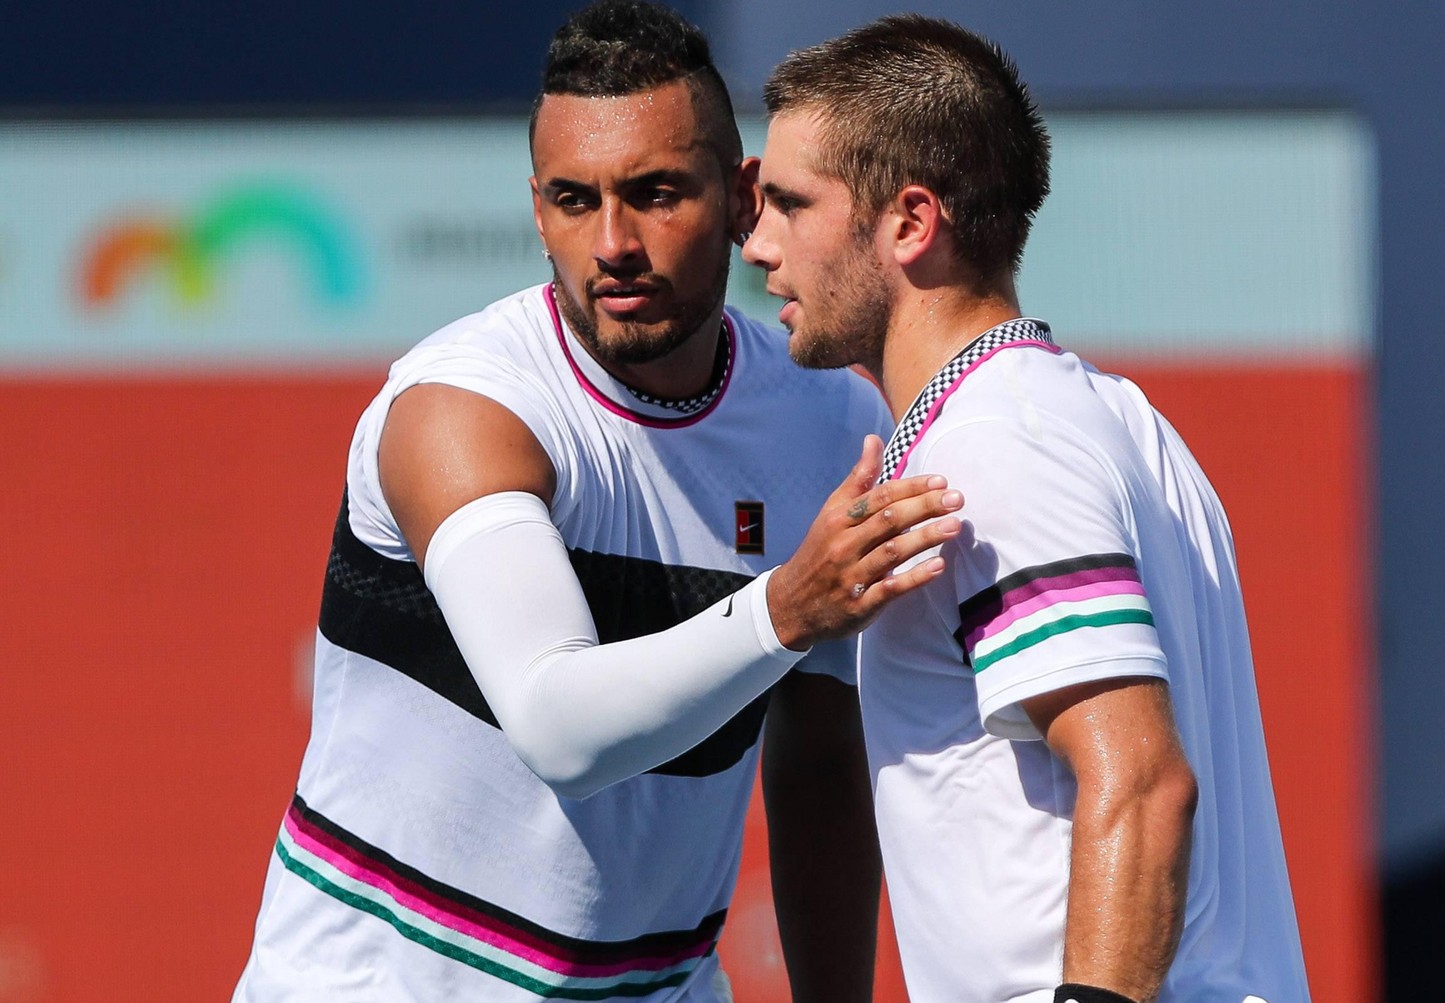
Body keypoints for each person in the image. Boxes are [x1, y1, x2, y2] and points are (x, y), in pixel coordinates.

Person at [231, 3, 964, 1000]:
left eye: (656, 193)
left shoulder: (831, 423)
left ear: (743, 196)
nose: (613, 241)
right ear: (538, 211)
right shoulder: (461, 409)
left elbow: (824, 767)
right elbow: (558, 728)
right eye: (575, 201)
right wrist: (785, 607)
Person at [744, 15, 1312, 1003]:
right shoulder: (1114, 420)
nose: (758, 245)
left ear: (911, 223)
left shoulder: (997, 445)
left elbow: (1139, 780)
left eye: (792, 204)